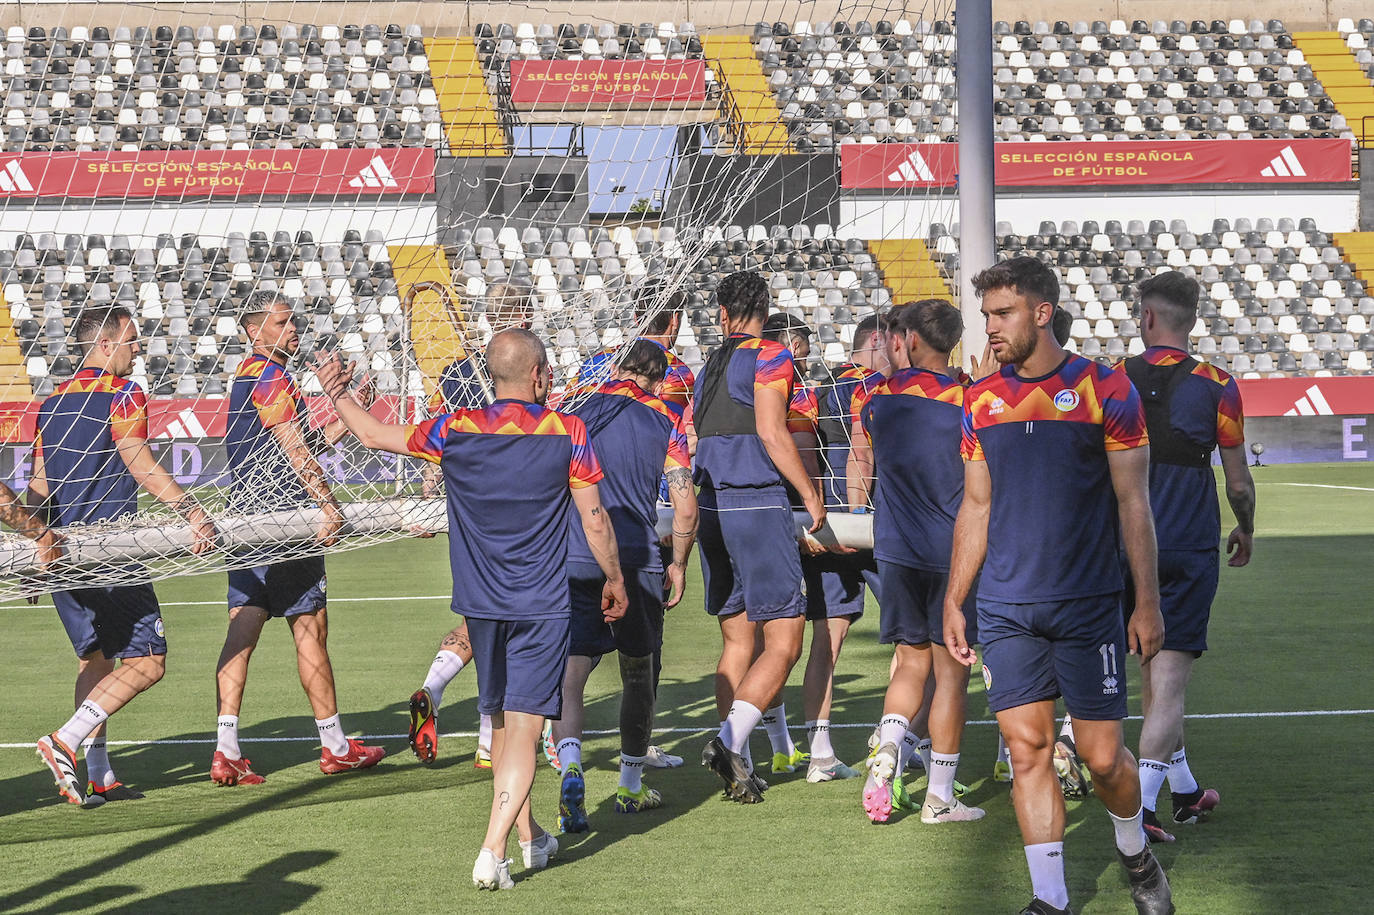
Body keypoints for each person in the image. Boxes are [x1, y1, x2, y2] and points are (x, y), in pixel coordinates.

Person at [316, 329, 629, 890]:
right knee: (527, 728)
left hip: (480, 606)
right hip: (541, 605)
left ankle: (531, 836)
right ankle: (492, 849)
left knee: (506, 723)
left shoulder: (455, 427)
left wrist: (336, 391)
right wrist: (614, 578)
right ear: (538, 375)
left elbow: (367, 433)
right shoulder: (567, 429)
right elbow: (596, 520)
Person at [944, 256, 1173, 915]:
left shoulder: (1106, 388)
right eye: (986, 314)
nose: (989, 326)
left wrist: (1148, 602)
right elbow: (976, 507)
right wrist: (954, 599)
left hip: (1089, 603)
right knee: (1027, 750)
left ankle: (1134, 852)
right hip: (1006, 609)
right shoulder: (979, 399)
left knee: (1102, 759)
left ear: (1042, 313)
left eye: (1003, 313)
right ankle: (1050, 899)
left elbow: (1135, 503)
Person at [30, 305, 216, 805]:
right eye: (133, 341)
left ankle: (97, 773)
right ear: (107, 345)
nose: (139, 352)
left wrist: (35, 545)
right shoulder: (123, 393)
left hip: (63, 556)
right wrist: (193, 512)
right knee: (149, 662)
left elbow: (39, 486)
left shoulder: (50, 403)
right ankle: (64, 741)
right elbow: (141, 465)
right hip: (112, 553)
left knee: (95, 661)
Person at [212, 292, 384, 786]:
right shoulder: (271, 376)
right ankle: (334, 746)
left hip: (245, 522)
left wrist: (346, 414)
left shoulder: (249, 376)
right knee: (310, 628)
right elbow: (293, 451)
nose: (293, 330)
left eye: (293, 322)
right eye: (283, 322)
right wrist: (328, 503)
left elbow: (303, 443)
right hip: (284, 525)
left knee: (242, 634)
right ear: (253, 330)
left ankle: (226, 750)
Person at [1120, 271, 1254, 843]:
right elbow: (1240, 483)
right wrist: (1247, 527)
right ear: (1191, 320)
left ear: (1146, 318)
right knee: (1169, 683)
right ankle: (1144, 807)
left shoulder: (1112, 380)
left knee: (1148, 678)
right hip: (1189, 544)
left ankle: (1184, 791)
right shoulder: (1218, 383)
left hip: (1120, 547)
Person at [551, 340, 698, 830]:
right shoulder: (667, 418)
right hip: (635, 558)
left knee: (572, 671)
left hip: (576, 555)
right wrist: (677, 562)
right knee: (639, 671)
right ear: (657, 379)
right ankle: (630, 785)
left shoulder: (580, 411)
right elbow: (686, 508)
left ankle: (570, 762)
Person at [692, 272, 828, 804]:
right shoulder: (772, 356)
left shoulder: (707, 368)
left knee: (736, 641)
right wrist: (810, 494)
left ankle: (741, 761)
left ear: (722, 314)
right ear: (766, 313)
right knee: (785, 640)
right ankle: (729, 741)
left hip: (710, 506)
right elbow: (773, 431)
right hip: (755, 500)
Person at [852, 300, 984, 825]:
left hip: (897, 551)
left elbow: (868, 426)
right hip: (953, 552)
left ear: (907, 339)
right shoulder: (969, 400)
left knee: (910, 664)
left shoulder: (877, 398)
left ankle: (887, 748)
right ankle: (940, 798)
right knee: (951, 678)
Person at [410, 282, 536, 770]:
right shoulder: (529, 368)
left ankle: (434, 687)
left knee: (480, 619)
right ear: (523, 312)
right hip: (520, 512)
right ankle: (490, 740)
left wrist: (426, 495)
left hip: (466, 513)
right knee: (515, 628)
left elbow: (435, 436)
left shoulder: (460, 371)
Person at [760, 312, 862, 783]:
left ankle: (807, 751)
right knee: (916, 640)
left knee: (797, 639)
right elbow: (819, 454)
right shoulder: (805, 392)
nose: (804, 354)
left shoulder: (797, 391)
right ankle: (910, 741)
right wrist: (816, 511)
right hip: (842, 525)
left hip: (788, 523)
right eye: (802, 345)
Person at [574, 284, 696, 410]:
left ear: (636, 318)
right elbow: (673, 423)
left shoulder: (596, 361)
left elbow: (568, 407)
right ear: (675, 319)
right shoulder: (679, 373)